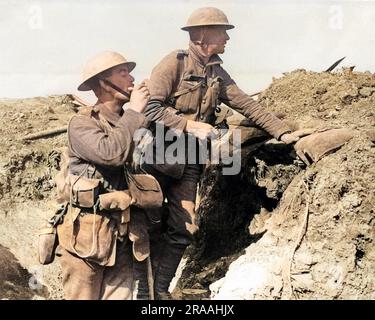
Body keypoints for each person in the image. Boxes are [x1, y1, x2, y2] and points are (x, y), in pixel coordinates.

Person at [141, 7, 301, 300]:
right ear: (201, 35)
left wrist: (282, 132)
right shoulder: (173, 64)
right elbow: (150, 108)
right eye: (222, 31)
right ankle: (140, 293)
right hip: (156, 158)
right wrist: (188, 126)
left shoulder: (216, 71)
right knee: (145, 225)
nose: (227, 37)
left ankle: (160, 291)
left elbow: (246, 104)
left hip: (189, 163)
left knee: (184, 228)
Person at [56, 51, 150, 299]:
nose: (131, 78)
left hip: (124, 234)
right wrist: (135, 112)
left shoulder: (133, 122)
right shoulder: (82, 123)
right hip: (86, 237)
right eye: (123, 73)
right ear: (102, 83)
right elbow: (111, 154)